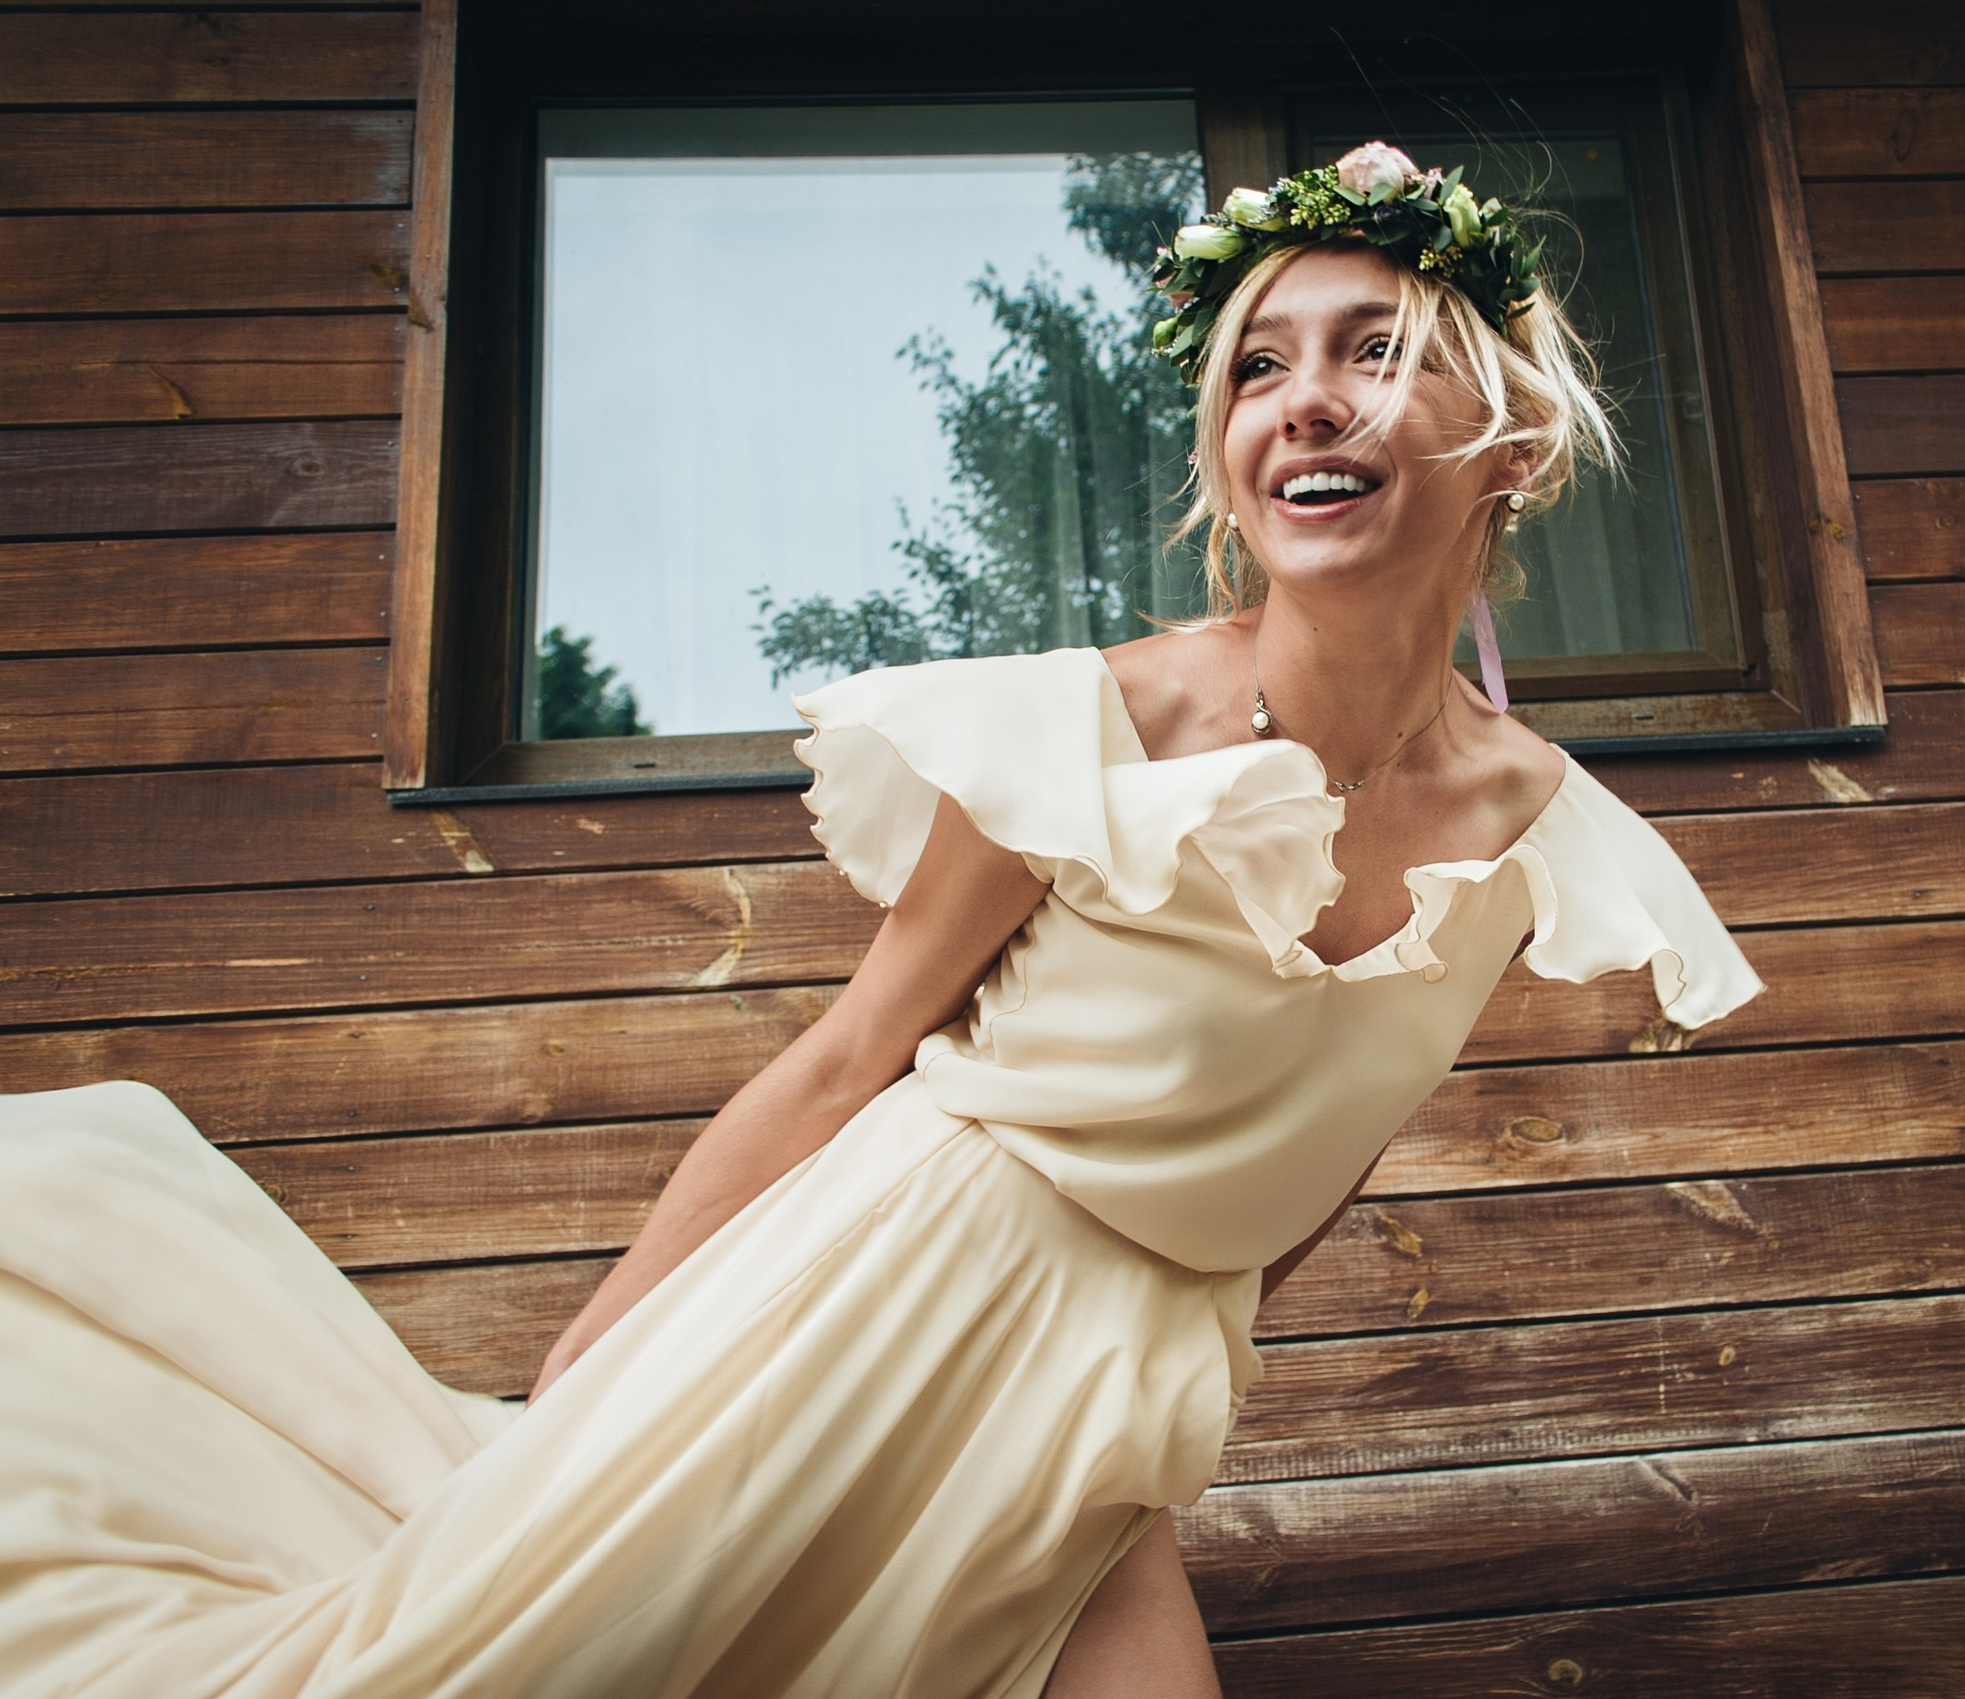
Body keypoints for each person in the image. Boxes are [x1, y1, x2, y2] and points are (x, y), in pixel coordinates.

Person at [0, 143, 1761, 1698]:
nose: (1302, 400)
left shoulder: (1540, 833)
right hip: (861, 1310)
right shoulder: (1094, 728)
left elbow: (1324, 1148)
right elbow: (848, 1058)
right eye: (1258, 370)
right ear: (1229, 460)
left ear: (1510, 436)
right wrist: (593, 1371)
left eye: (1373, 351)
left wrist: (1175, 1378)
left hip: (1103, 1402)